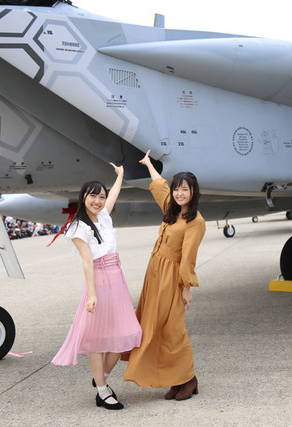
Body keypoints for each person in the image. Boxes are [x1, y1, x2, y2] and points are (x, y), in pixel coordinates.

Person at [51, 162, 142, 411]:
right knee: (98, 338)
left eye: (101, 196)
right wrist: (91, 294)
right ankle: (102, 391)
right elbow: (87, 261)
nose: (98, 201)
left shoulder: (103, 216)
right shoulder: (78, 227)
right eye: (93, 196)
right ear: (84, 197)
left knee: (126, 333)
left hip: (117, 278)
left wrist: (120, 175)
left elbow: (114, 195)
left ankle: (101, 376)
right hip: (98, 280)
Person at [123, 150, 206, 401]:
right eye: (177, 189)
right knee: (156, 326)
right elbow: (159, 186)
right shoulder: (171, 208)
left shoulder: (196, 221)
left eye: (185, 189)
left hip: (171, 278)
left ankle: (188, 378)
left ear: (193, 192)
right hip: (154, 274)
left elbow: (188, 257)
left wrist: (186, 287)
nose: (179, 193)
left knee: (173, 330)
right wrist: (149, 164)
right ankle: (176, 379)